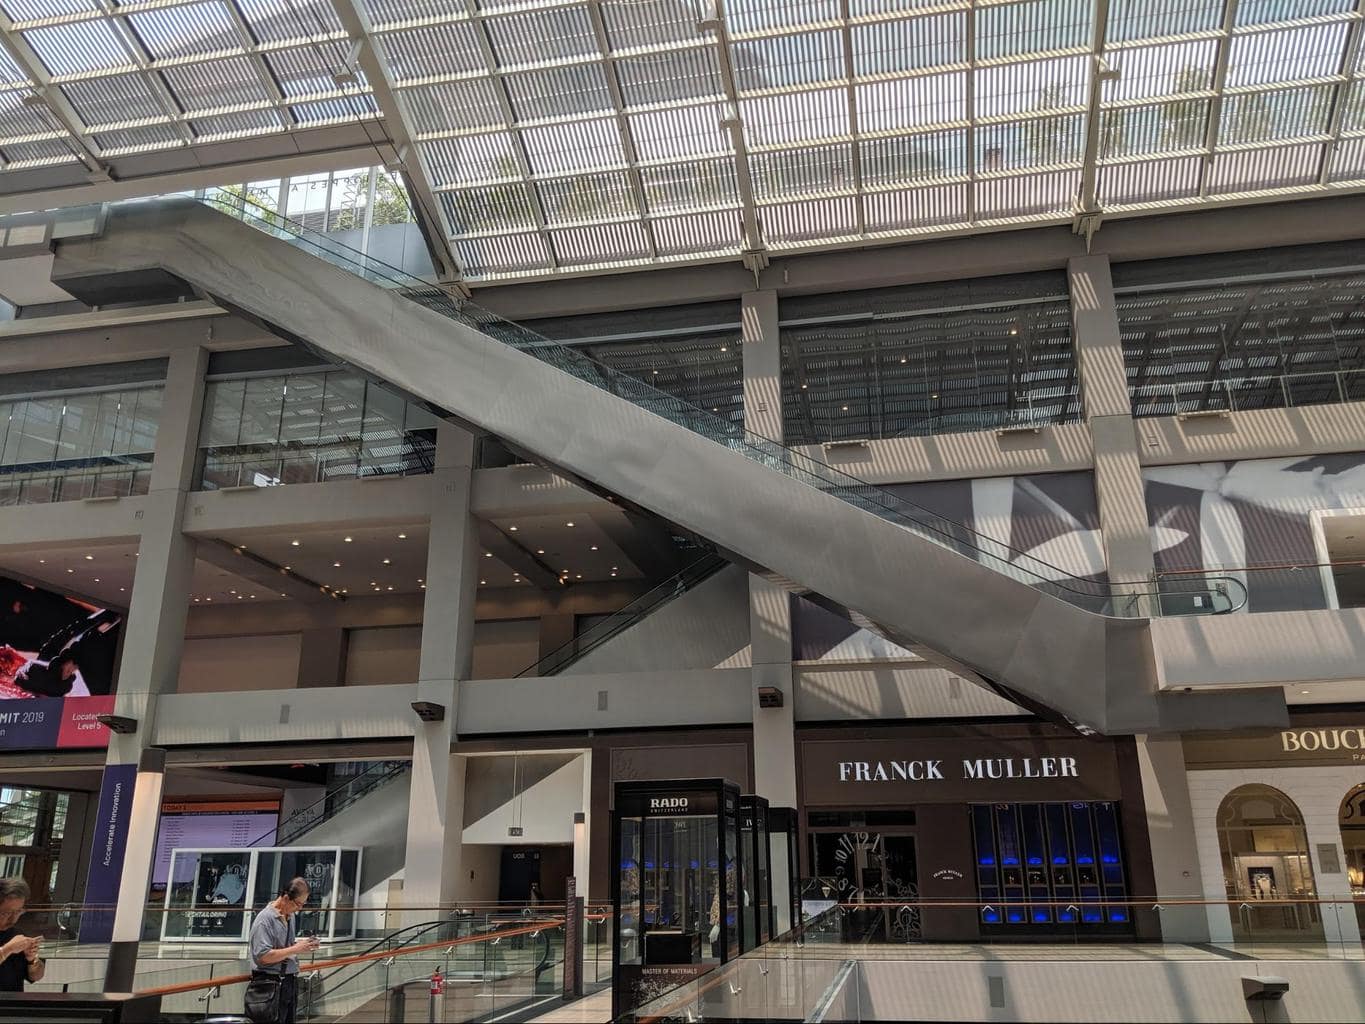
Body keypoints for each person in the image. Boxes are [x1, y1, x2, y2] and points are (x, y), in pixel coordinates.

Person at [248, 877, 319, 1024]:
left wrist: (303, 945)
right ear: (286, 898)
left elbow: (285, 946)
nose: (300, 908)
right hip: (270, 984)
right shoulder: (265, 920)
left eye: (303, 904)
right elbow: (263, 956)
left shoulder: (289, 917)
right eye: (298, 904)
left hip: (288, 981)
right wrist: (296, 948)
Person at [0, 878, 44, 993]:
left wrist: (32, 960)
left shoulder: (18, 934)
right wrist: (7, 949)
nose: (13, 919)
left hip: (13, 1006)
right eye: (7, 913)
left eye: (18, 912)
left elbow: (36, 976)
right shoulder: (14, 942)